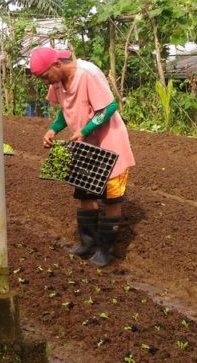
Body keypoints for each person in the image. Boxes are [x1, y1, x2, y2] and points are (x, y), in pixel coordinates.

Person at [29, 47, 135, 267]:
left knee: (111, 197)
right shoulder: (57, 82)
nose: (46, 82)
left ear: (56, 64)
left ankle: (105, 250)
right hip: (85, 145)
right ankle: (87, 244)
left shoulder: (88, 73)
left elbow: (109, 107)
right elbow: (64, 110)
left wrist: (85, 130)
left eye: (45, 76)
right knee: (85, 193)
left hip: (110, 142)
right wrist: (53, 130)